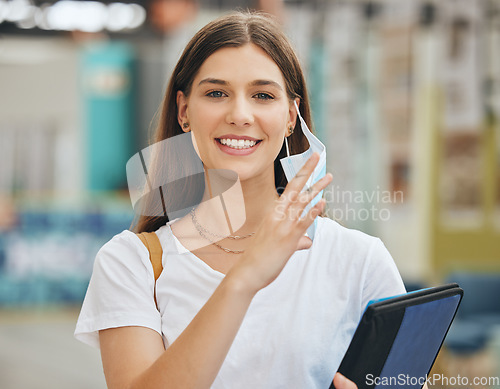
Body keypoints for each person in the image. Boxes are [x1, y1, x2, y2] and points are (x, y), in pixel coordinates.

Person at [75, 11, 405, 389]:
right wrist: (244, 278)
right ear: (184, 111)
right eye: (216, 93)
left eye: (263, 95)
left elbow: (408, 380)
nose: (240, 115)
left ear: (290, 118)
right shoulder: (130, 263)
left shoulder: (359, 259)